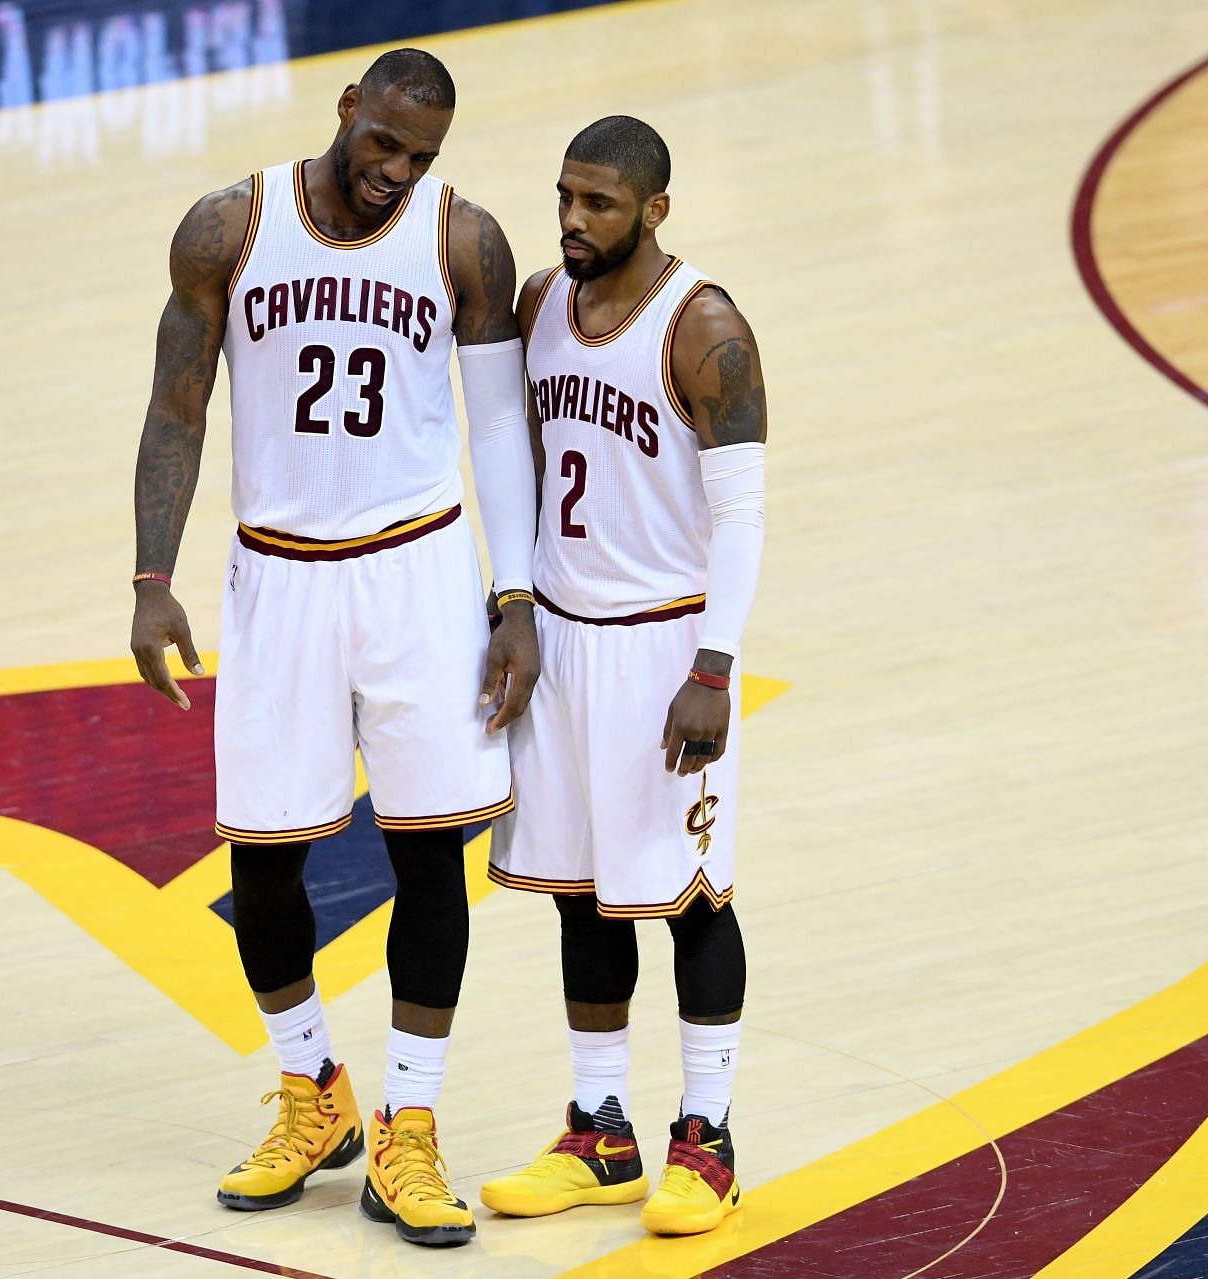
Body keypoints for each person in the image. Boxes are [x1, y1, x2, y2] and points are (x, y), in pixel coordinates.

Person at [126, 49, 540, 1248]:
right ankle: (314, 1094)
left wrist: (512, 593)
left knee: (427, 859)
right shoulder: (227, 228)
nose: (397, 173)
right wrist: (151, 580)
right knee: (262, 863)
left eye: (422, 159)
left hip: (419, 573)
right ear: (347, 107)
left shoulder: (462, 240)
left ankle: (410, 1124)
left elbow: (501, 425)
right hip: (280, 577)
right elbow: (176, 406)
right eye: (385, 146)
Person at [481, 115, 768, 1237]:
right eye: (565, 197)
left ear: (655, 209)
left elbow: (741, 514)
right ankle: (601, 1132)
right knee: (579, 888)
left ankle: (709, 1137)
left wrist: (715, 663)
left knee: (692, 895)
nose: (573, 220)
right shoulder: (543, 300)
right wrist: (511, 601)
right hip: (561, 631)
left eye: (599, 203)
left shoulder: (706, 330)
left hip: (664, 643)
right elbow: (516, 454)